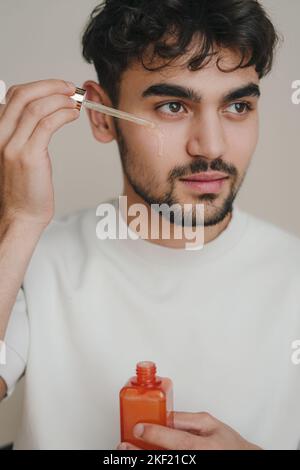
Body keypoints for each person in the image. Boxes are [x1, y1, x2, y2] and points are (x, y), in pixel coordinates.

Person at [0, 0, 299, 450]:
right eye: (174, 106)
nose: (211, 145)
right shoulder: (30, 260)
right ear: (103, 116)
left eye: (237, 105)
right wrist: (19, 221)